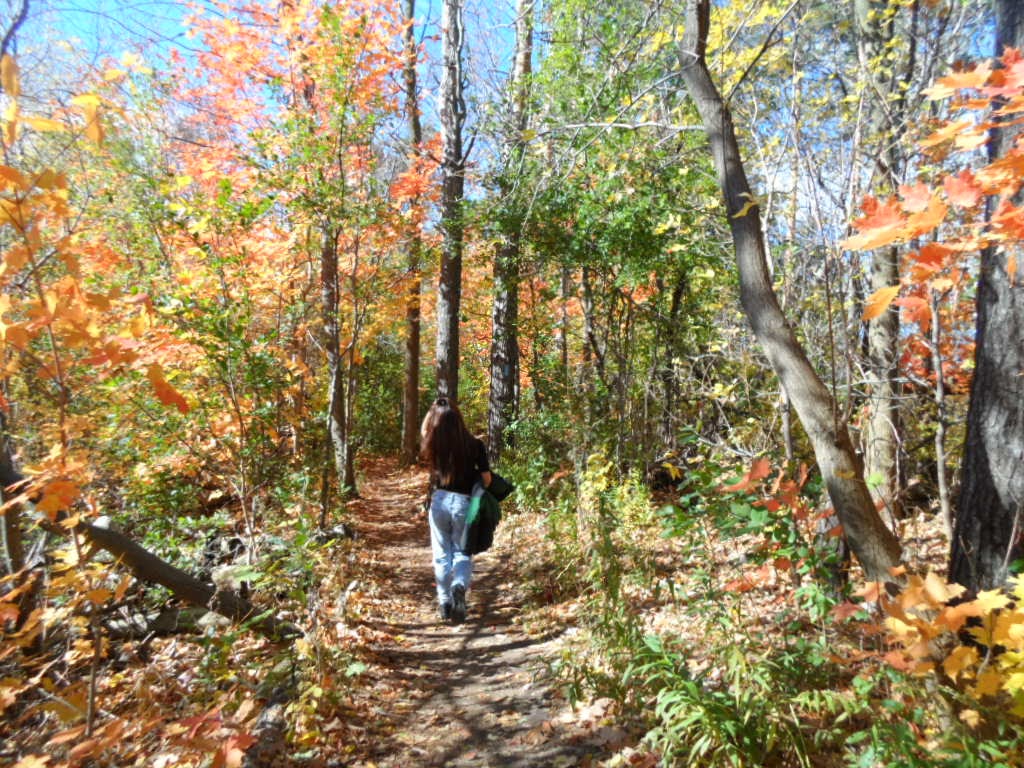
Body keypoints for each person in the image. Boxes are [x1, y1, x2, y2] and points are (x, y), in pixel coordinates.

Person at [420, 397, 491, 623]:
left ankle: (444, 603)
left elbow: (424, 429)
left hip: (439, 501)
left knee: (441, 555)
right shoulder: (475, 445)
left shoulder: (432, 443)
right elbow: (487, 480)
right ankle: (459, 585)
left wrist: (433, 411)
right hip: (465, 504)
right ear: (460, 419)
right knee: (462, 553)